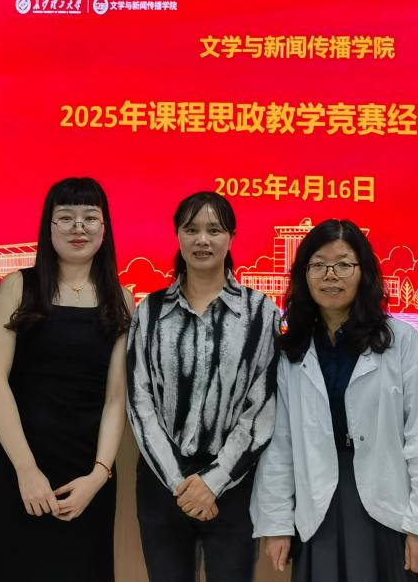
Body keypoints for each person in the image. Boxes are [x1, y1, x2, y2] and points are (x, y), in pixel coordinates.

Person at [252, 219, 418, 581]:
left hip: (391, 502)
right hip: (319, 503)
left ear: (364, 273)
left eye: (344, 264)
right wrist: (277, 522)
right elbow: (280, 445)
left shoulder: (401, 341)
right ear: (303, 275)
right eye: (318, 265)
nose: (331, 275)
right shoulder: (293, 349)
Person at [0, 177, 132, 582]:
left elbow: (117, 397)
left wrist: (99, 474)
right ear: (49, 226)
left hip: (87, 473)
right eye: (66, 217)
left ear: (104, 228)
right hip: (20, 464)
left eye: (90, 218)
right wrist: (26, 469)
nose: (79, 228)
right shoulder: (18, 286)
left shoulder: (122, 298)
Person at [127, 191, 279, 582]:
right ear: (177, 235)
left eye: (214, 230)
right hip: (163, 483)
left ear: (231, 237)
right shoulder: (150, 311)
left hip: (233, 482)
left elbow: (262, 408)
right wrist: (181, 484)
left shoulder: (260, 312)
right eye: (191, 229)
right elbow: (139, 402)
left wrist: (213, 482)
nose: (202, 240)